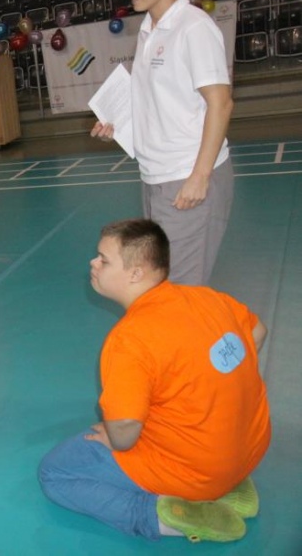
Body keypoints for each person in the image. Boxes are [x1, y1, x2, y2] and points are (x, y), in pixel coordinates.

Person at [39, 219, 271, 543]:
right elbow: (257, 333)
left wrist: (114, 439)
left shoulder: (130, 339)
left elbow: (124, 431)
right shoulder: (207, 297)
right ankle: (230, 487)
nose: (93, 263)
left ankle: (163, 517)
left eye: (104, 259)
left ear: (135, 274)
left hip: (197, 472)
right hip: (250, 450)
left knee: (55, 472)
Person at [90, 0, 234, 286]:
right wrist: (116, 126)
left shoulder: (193, 28)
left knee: (181, 290)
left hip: (187, 177)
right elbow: (158, 103)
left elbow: (221, 103)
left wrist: (199, 177)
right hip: (154, 177)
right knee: (163, 287)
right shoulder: (149, 29)